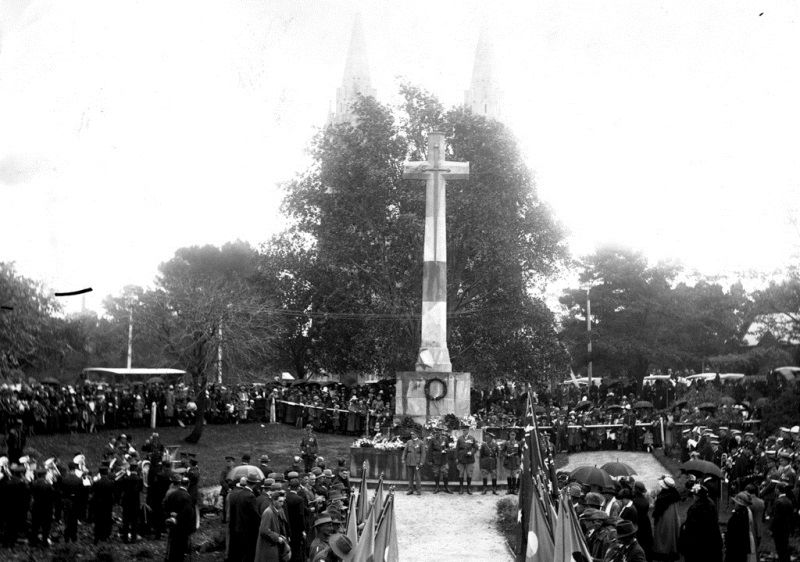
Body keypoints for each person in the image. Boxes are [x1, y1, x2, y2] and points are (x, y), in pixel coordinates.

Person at [678, 483, 722, 562]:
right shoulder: (711, 503)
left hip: (697, 542)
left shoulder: (695, 508)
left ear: (697, 496)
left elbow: (691, 526)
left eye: (694, 495)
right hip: (711, 540)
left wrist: (684, 527)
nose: (693, 497)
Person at [228, 473, 263, 562]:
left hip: (238, 526)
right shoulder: (250, 496)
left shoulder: (239, 493)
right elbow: (255, 515)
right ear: (255, 484)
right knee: (248, 554)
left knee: (240, 553)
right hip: (247, 529)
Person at [163, 475, 195, 562]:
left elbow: (165, 506)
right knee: (181, 547)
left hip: (172, 525)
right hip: (182, 526)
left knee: (173, 544)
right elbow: (189, 513)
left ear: (180, 483)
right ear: (187, 485)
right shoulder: (187, 497)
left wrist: (170, 516)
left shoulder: (173, 494)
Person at [255, 490, 290, 562]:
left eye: (283, 501)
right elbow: (264, 530)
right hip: (268, 547)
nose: (282, 504)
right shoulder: (268, 512)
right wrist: (277, 538)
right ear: (274, 501)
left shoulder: (277, 511)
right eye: (280, 501)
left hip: (274, 546)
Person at [652, 476, 681, 562]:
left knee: (663, 533)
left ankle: (662, 551)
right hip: (673, 517)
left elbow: (657, 511)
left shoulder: (662, 497)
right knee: (671, 532)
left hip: (664, 518)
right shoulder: (675, 494)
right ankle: (672, 549)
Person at [29, 467, 56, 546]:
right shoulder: (48, 484)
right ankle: (44, 541)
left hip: (36, 506)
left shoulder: (34, 483)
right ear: (44, 475)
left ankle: (33, 541)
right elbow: (52, 497)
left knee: (35, 525)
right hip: (46, 508)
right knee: (46, 526)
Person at [725, 492, 755, 562]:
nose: (734, 504)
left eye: (735, 502)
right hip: (741, 548)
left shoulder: (738, 516)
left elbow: (734, 532)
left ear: (739, 504)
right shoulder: (745, 513)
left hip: (735, 548)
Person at [91, 462, 116, 544]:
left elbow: (92, 493)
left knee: (98, 520)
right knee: (107, 520)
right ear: (107, 472)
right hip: (108, 504)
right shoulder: (111, 483)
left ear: (100, 473)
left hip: (98, 504)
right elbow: (113, 493)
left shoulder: (96, 483)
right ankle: (105, 536)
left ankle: (97, 537)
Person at [771, 482, 793, 562]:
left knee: (780, 548)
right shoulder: (789, 500)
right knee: (785, 547)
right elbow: (791, 516)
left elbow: (776, 518)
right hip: (786, 528)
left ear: (777, 490)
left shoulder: (778, 502)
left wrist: (772, 529)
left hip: (779, 530)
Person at [631, 480, 653, 560]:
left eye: (634, 488)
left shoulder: (635, 501)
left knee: (640, 541)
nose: (632, 489)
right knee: (646, 541)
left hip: (639, 522)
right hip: (646, 522)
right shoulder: (644, 500)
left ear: (636, 489)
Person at [427, 428, 453, 494]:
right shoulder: (432, 440)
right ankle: (437, 487)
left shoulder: (445, 439)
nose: (437, 433)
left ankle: (446, 487)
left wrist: (446, 450)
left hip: (444, 459)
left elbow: (448, 447)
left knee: (445, 474)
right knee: (436, 474)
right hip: (435, 459)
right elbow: (430, 450)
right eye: (436, 432)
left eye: (439, 432)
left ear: (441, 432)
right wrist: (430, 460)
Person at [401, 430, 426, 495]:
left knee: (417, 477)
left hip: (417, 462)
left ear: (417, 435)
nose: (412, 435)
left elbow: (423, 453)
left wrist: (421, 462)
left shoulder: (421, 442)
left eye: (413, 434)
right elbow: (405, 451)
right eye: (411, 434)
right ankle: (410, 489)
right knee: (410, 477)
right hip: (409, 461)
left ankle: (418, 490)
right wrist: (403, 458)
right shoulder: (409, 442)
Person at [455, 426, 478, 494]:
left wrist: (472, 452)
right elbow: (457, 449)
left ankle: (468, 488)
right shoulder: (460, 439)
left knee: (469, 474)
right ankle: (461, 488)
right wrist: (456, 458)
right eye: (463, 430)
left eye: (465, 430)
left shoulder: (472, 438)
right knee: (461, 473)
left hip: (469, 459)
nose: (464, 431)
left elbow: (475, 447)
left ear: (468, 431)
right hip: (461, 458)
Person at [502, 429, 522, 494]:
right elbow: (502, 451)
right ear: (509, 435)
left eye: (514, 435)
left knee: (514, 475)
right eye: (511, 435)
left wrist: (519, 460)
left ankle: (514, 489)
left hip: (515, 461)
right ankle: (509, 489)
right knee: (508, 475)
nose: (512, 436)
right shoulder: (506, 443)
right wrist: (506, 454)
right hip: (508, 460)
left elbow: (520, 452)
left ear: (515, 435)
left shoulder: (518, 443)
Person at [220, 455, 235, 524]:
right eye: (227, 461)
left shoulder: (235, 470)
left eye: (230, 461)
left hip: (234, 490)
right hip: (226, 491)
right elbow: (221, 481)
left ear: (233, 462)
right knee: (225, 505)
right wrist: (228, 488)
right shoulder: (224, 471)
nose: (228, 463)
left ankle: (231, 518)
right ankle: (224, 519)